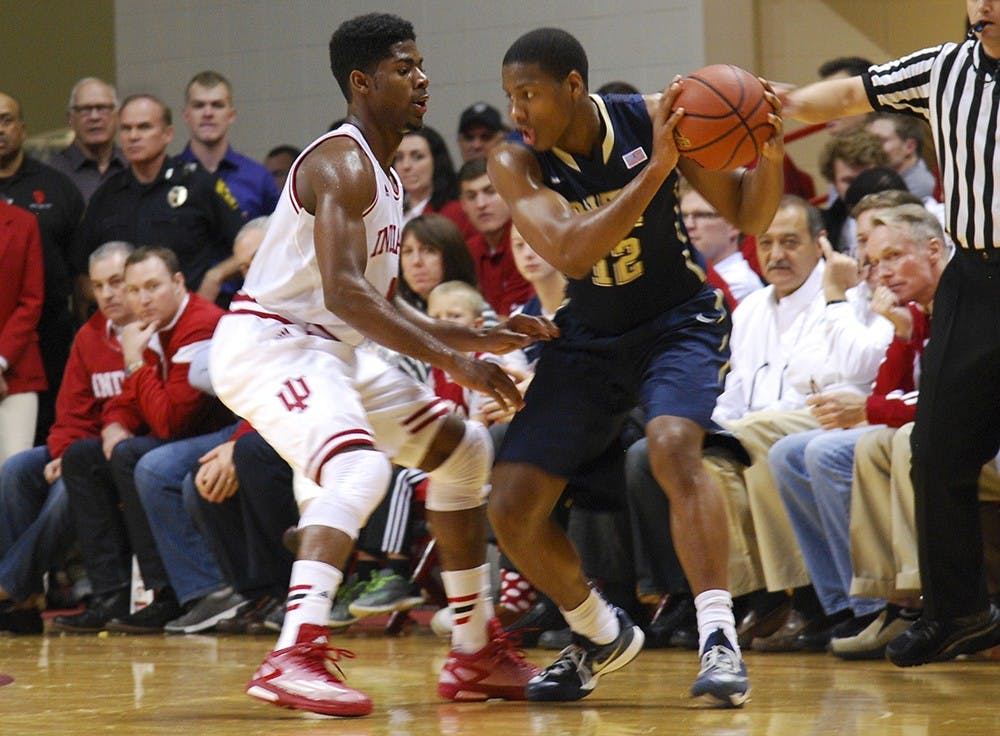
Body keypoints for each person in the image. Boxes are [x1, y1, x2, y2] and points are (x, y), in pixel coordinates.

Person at [208, 13, 555, 717]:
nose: (422, 78)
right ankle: (293, 652)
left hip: (333, 347)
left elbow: (380, 310)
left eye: (421, 65)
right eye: (405, 68)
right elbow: (343, 292)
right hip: (272, 342)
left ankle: (474, 651)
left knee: (464, 450)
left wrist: (481, 337)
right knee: (361, 467)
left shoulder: (388, 178)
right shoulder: (340, 162)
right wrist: (457, 358)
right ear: (363, 82)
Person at [486, 26, 784, 707]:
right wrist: (655, 171)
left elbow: (750, 213)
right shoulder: (515, 162)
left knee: (672, 445)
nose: (516, 112)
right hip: (589, 334)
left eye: (527, 94)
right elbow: (569, 254)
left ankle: (718, 637)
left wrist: (769, 146)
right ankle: (598, 634)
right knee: (510, 504)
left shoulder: (658, 117)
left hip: (678, 320)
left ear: (572, 87)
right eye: (509, 97)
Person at [780, 1, 1000, 667]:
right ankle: (961, 611)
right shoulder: (944, 68)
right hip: (973, 275)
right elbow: (849, 91)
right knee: (934, 449)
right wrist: (772, 106)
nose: (982, 3)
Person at [767, 204, 948, 658]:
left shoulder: (960, 298)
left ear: (933, 249)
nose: (880, 270)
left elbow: (946, 403)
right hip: (911, 420)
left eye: (892, 257)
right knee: (784, 452)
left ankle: (902, 601)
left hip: (958, 432)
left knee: (858, 447)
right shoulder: (914, 308)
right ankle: (848, 605)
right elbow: (894, 385)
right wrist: (904, 335)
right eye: (875, 257)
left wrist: (868, 406)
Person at [51, 247, 232, 633]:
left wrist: (134, 362)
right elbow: (130, 401)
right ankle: (113, 592)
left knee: (143, 461)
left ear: (179, 282)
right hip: (185, 431)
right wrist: (115, 423)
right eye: (134, 290)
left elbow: (171, 422)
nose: (142, 300)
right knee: (84, 456)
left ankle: (199, 591)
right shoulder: (154, 324)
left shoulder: (200, 325)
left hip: (227, 432)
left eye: (152, 287)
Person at [0, 241, 135, 632]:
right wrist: (63, 452)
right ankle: (22, 602)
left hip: (122, 451)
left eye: (116, 282)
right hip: (81, 449)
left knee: (70, 486)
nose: (107, 294)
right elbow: (69, 414)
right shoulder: (90, 336)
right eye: (98, 285)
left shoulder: (152, 329)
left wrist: (73, 457)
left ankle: (11, 586)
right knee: (18, 469)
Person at [72, 93, 244, 304]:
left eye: (144, 127)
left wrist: (215, 276)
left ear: (167, 134)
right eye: (126, 129)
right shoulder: (107, 195)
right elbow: (81, 274)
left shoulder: (199, 185)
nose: (133, 136)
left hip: (188, 319)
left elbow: (251, 247)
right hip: (129, 324)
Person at [0, 92, 86, 445]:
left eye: (6, 120)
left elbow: (67, 276)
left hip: (37, 347)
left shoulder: (54, 189)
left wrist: (1, 361)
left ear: (22, 128)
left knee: (26, 463)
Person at [178, 70, 279, 221]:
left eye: (217, 105)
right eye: (199, 105)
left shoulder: (258, 177)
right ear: (186, 115)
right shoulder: (170, 176)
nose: (208, 113)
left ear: (231, 115)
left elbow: (281, 236)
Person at [458, 157, 535, 317]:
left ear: (509, 193)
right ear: (463, 205)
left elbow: (511, 323)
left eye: (490, 192)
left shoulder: (528, 242)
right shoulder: (468, 250)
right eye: (471, 196)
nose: (481, 204)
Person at [0, 200, 46, 466]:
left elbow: (32, 300)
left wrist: (1, 361)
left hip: (16, 369)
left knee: (14, 472)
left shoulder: (23, 222)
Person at [679, 181, 762, 302]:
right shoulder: (692, 275)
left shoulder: (741, 284)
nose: (688, 225)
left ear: (734, 225)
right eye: (684, 216)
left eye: (702, 215)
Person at [48, 77, 128, 203]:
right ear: (70, 118)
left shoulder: (134, 166)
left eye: (102, 108)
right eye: (85, 109)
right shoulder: (52, 173)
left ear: (118, 116)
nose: (94, 117)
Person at [818, 128, 889, 254]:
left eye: (866, 178)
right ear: (834, 182)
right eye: (849, 181)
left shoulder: (908, 217)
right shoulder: (821, 225)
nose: (859, 187)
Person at [865, 113, 938, 201]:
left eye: (881, 141)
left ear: (909, 146)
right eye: (869, 140)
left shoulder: (920, 189)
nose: (871, 148)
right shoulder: (884, 181)